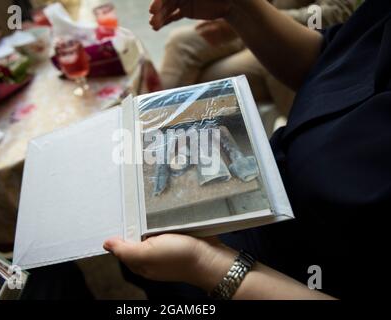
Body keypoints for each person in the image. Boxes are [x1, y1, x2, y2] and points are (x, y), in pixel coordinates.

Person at [104, 0, 391, 299]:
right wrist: (237, 8)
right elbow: (333, 62)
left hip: (295, 272)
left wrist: (207, 265)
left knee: (142, 243)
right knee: (130, 218)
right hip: (273, 188)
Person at [160, 0, 358, 116]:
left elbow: (334, 15)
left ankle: (161, 135)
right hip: (257, 17)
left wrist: (250, 15)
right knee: (181, 42)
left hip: (302, 36)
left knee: (206, 81)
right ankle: (149, 128)